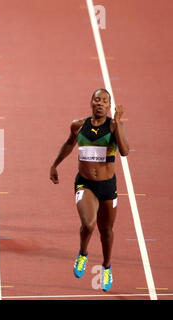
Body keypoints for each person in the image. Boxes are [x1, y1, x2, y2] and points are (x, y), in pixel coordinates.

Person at [49, 88, 130, 292]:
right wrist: (55, 165)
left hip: (108, 186)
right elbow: (69, 144)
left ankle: (107, 267)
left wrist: (118, 124)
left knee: (106, 231)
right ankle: (83, 254)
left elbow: (124, 151)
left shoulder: (114, 126)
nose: (100, 103)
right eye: (97, 100)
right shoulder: (78, 125)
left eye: (105, 101)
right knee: (89, 222)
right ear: (91, 103)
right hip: (85, 183)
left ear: (109, 106)